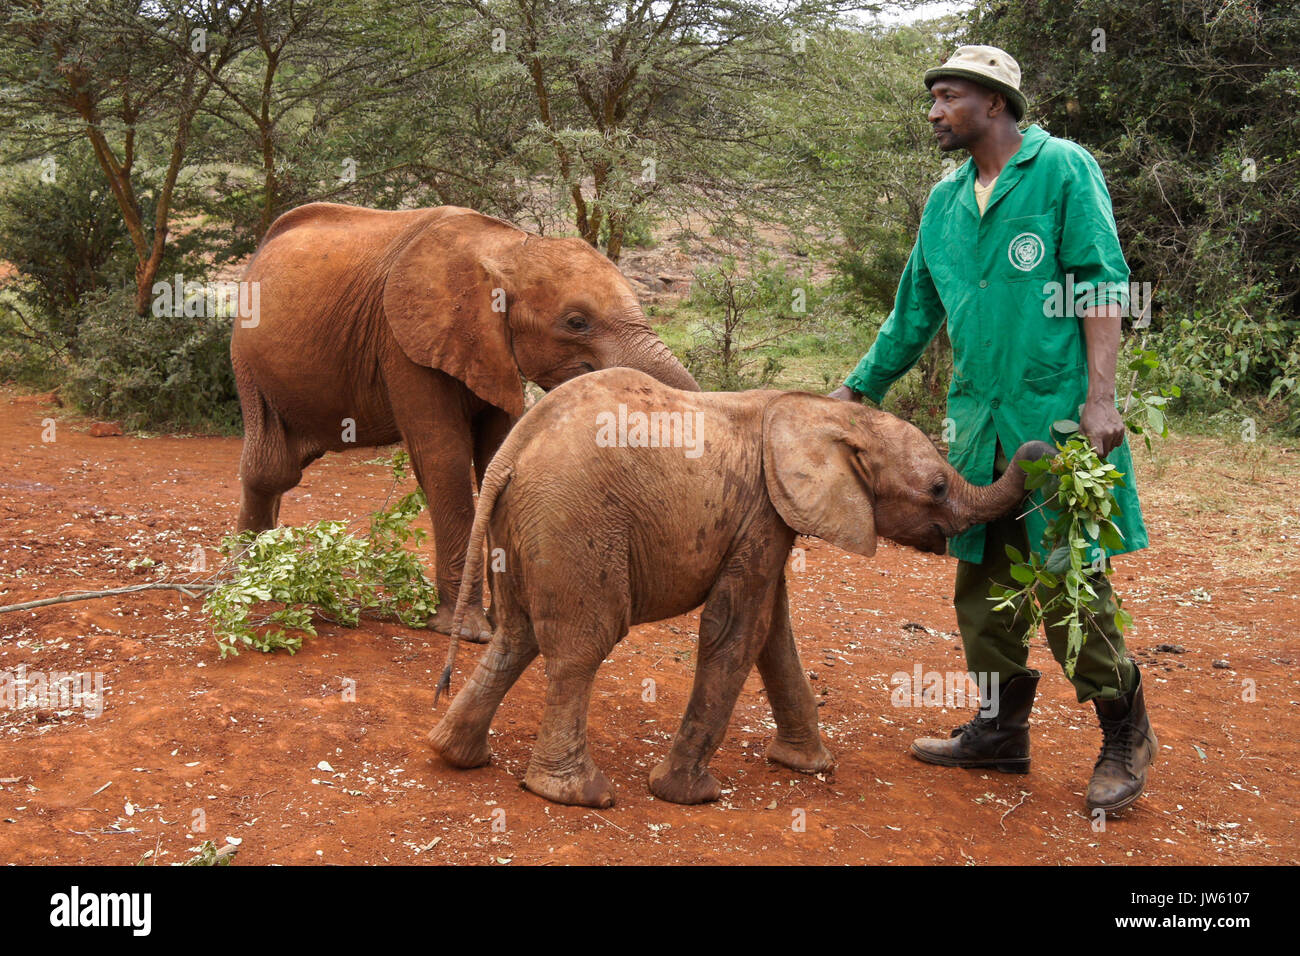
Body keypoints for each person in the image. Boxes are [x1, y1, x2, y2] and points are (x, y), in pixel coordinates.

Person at [830, 46, 1157, 814]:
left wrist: (1103, 401)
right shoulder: (945, 202)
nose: (934, 112)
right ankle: (998, 733)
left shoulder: (1062, 169)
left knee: (1068, 585)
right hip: (977, 426)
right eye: (933, 99)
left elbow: (1102, 284)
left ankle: (1125, 734)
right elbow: (914, 312)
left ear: (996, 103)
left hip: (1056, 420)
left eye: (948, 97)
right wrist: (852, 393)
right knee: (980, 589)